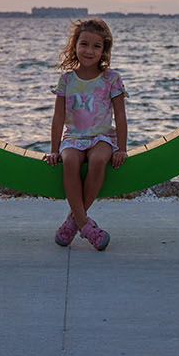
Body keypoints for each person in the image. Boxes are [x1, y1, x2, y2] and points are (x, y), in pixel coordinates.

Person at [43, 16, 127, 250]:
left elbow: (120, 116)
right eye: (84, 44)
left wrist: (121, 148)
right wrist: (53, 150)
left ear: (104, 51)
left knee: (99, 160)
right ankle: (86, 226)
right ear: (75, 46)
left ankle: (73, 223)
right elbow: (58, 117)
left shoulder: (112, 79)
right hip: (74, 137)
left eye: (96, 46)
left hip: (101, 137)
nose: (89, 50)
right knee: (69, 161)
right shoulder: (67, 80)